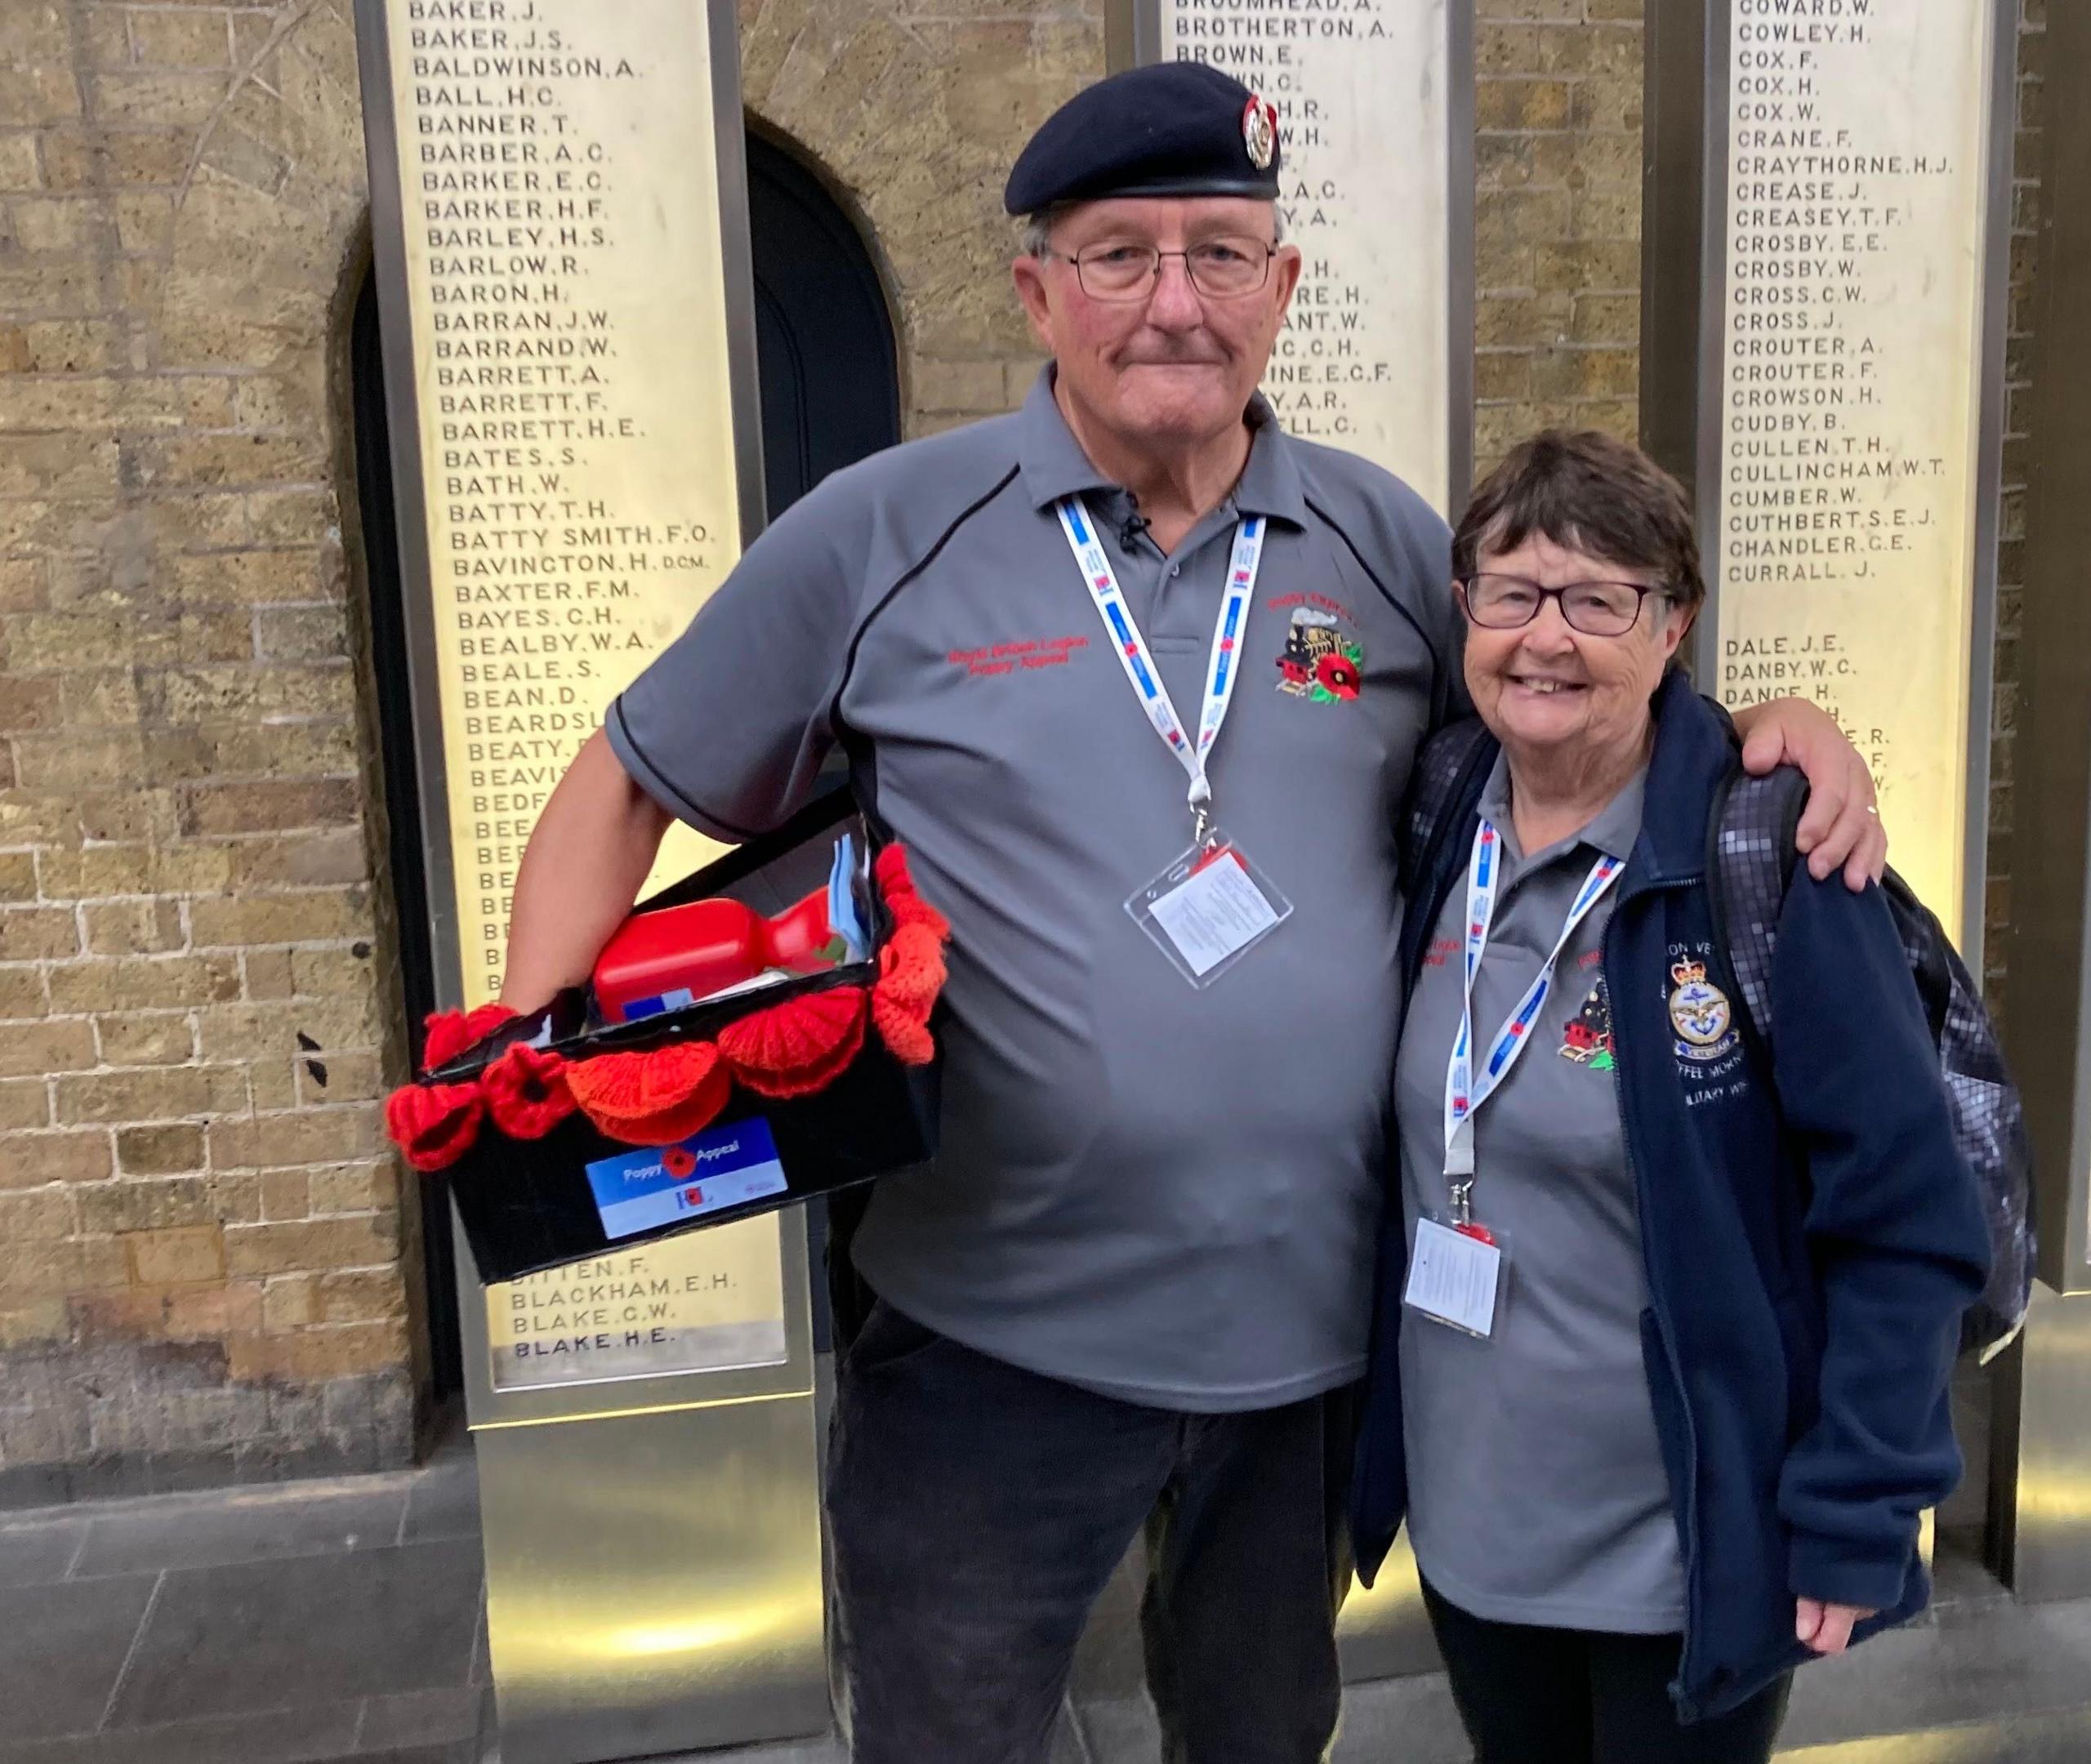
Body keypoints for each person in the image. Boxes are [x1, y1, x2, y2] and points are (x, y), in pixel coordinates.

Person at [494, 63, 1890, 1764]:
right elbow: (625, 776)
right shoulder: (888, 536)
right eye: (1119, 255)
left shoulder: (1381, 544)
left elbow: (1588, 719)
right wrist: (533, 1073)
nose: (1175, 302)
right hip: (987, 1344)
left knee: (1254, 1740)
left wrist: (1771, 738)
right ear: (1036, 291)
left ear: (1282, 289)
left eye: (1222, 254)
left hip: (1299, 1355)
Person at [1349, 430, 1989, 1764]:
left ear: (1674, 622)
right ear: (1465, 611)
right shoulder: (1433, 806)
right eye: (1513, 591)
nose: (1548, 637)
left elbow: (1907, 1208)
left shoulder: (1769, 856)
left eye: (1602, 599)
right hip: (1474, 1531)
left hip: (1682, 1546)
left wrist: (1863, 1498)